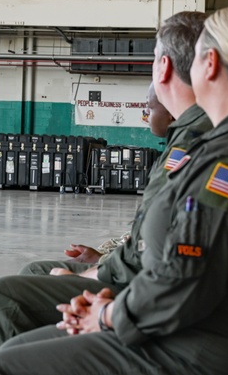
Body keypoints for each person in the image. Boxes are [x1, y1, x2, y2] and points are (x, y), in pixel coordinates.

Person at [0, 4, 228, 375]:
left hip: (196, 348)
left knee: (0, 367)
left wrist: (108, 315)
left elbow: (187, 278)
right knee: (16, 349)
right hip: (199, 329)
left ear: (210, 64)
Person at [0, 11, 211, 358]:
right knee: (32, 275)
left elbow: (170, 263)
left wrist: (98, 293)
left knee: (1, 298)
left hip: (154, 311)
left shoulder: (198, 146)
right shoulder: (208, 139)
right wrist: (105, 259)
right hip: (147, 288)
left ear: (163, 68)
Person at [21, 84, 174, 275]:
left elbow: (158, 253)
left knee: (13, 284)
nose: (146, 114)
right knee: (34, 270)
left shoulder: (184, 158)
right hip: (127, 265)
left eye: (149, 108)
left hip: (135, 279)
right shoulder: (172, 153)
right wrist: (103, 254)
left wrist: (90, 274)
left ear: (171, 112)